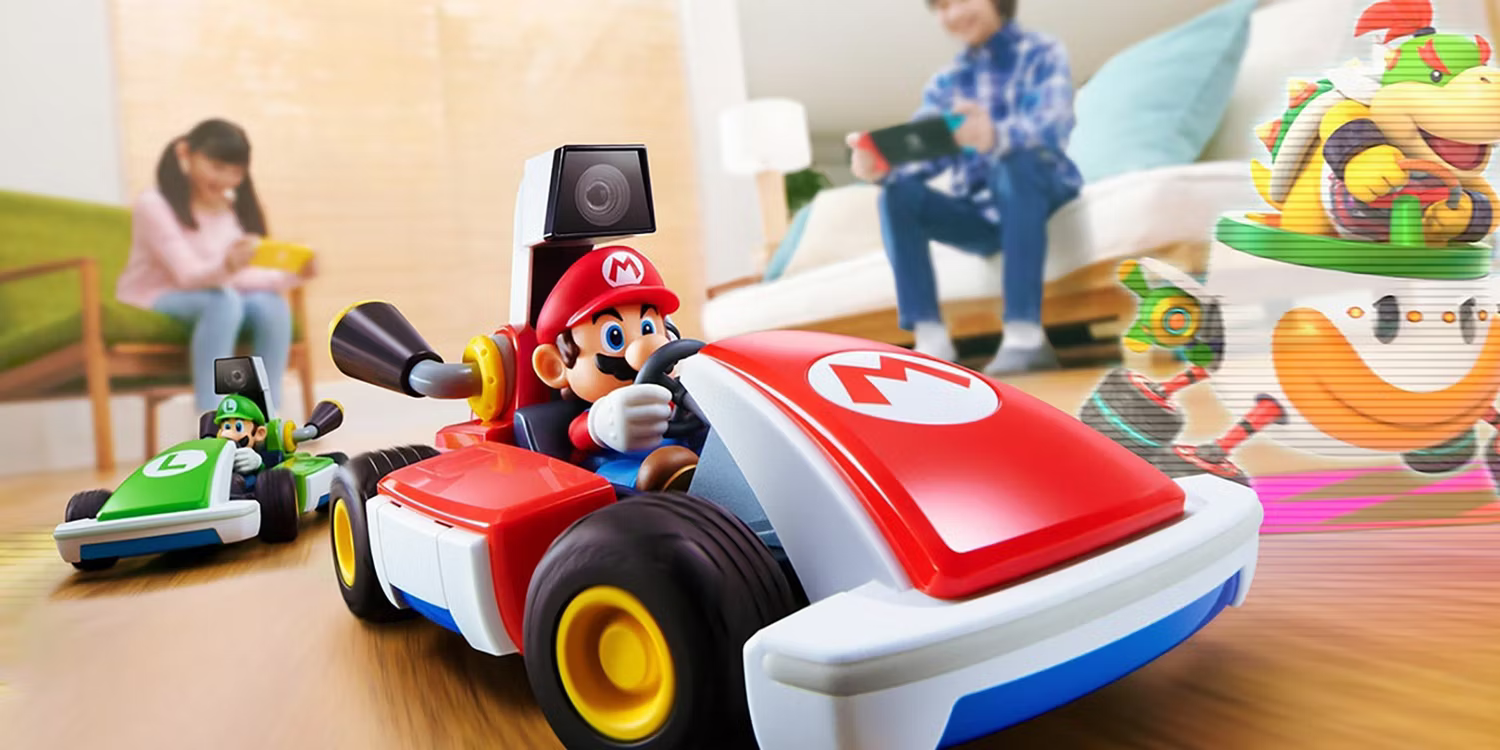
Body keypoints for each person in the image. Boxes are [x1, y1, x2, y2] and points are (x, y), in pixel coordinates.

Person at [848, 0, 1083, 374]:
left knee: (1014, 164)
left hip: (1039, 191)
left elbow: (1052, 126)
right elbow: (925, 160)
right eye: (942, 6)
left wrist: (995, 136)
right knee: (897, 195)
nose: (953, 14)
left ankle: (1025, 335)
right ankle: (931, 342)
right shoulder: (946, 83)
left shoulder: (1041, 51)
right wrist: (881, 167)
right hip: (980, 215)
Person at [116, 119, 315, 413]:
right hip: (155, 296)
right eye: (217, 166)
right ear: (185, 153)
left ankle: (263, 416)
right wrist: (228, 267)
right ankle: (214, 416)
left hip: (216, 293)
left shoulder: (226, 209)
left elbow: (238, 277)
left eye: (235, 172)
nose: (225, 179)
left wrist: (293, 275)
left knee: (270, 305)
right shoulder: (154, 204)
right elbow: (187, 276)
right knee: (223, 302)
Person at [530, 246, 702, 492]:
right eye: (614, 337)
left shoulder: (673, 392)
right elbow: (579, 434)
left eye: (648, 329)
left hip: (684, 452)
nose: (645, 348)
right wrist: (602, 424)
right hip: (618, 466)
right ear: (554, 366)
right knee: (628, 475)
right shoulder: (596, 414)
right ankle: (662, 481)